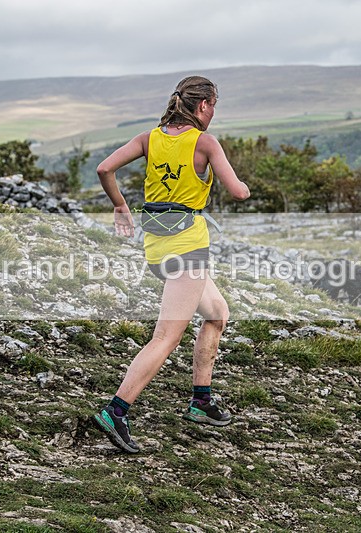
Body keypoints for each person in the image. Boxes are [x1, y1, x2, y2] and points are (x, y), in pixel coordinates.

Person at [92, 76, 250, 453]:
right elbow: (238, 191)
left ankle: (201, 401)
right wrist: (240, 184)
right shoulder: (206, 142)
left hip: (157, 248)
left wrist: (120, 205)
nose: (214, 112)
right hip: (189, 250)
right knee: (165, 338)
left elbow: (104, 169)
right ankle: (116, 410)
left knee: (217, 314)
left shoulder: (149, 138)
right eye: (215, 105)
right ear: (204, 105)